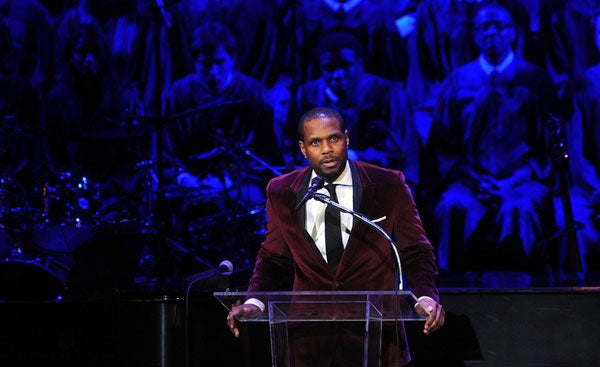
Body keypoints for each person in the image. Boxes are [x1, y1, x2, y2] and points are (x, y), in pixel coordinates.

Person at [227, 107, 444, 366]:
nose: (327, 149)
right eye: (315, 142)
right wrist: (254, 302)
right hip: (309, 344)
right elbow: (273, 258)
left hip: (376, 341)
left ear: (347, 138)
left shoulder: (388, 185)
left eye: (334, 138)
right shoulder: (282, 192)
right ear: (303, 148)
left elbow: (416, 251)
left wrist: (425, 296)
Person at [427, 2, 558, 273]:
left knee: (520, 209)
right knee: (452, 206)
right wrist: (475, 179)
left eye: (500, 26)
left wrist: (514, 179)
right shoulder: (457, 81)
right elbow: (444, 145)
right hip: (469, 181)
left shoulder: (534, 79)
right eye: (484, 27)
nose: (492, 33)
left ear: (513, 32)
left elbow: (546, 145)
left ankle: (523, 302)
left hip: (524, 180)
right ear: (474, 35)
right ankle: (451, 301)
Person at [295, 31, 420, 188]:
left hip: (378, 181)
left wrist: (357, 157)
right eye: (329, 68)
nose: (338, 75)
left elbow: (401, 152)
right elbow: (294, 150)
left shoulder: (386, 94)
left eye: (346, 66)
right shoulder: (307, 96)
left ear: (360, 64)